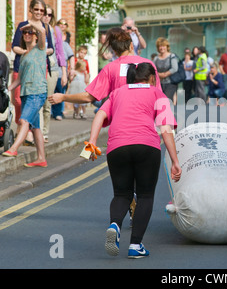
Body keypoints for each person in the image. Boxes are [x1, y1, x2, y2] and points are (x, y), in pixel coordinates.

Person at [86, 62, 181, 258]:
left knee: (122, 194)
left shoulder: (118, 92)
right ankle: (135, 245)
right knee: (145, 196)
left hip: (117, 147)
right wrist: (175, 161)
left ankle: (115, 224)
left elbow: (100, 115)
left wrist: (92, 143)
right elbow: (166, 130)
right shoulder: (157, 94)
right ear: (153, 78)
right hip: (146, 146)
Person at [48, 27, 162, 107]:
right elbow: (158, 96)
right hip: (147, 128)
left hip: (120, 129)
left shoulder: (111, 68)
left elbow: (89, 97)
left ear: (114, 51)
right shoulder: (149, 64)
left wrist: (63, 97)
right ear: (131, 45)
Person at [3, 21, 49, 168]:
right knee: (35, 128)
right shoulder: (23, 56)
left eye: (30, 33)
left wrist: (30, 24)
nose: (27, 34)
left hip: (37, 92)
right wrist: (8, 88)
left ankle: (14, 149)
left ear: (35, 36)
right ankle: (41, 158)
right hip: (26, 93)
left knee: (23, 121)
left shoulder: (40, 49)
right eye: (25, 33)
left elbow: (42, 31)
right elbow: (20, 78)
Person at [11, 0, 54, 143]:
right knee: (18, 100)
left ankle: (27, 131)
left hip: (39, 69)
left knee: (36, 100)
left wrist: (39, 51)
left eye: (42, 10)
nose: (39, 12)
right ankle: (22, 125)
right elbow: (15, 46)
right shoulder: (24, 26)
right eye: (36, 9)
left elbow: (51, 49)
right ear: (31, 9)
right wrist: (26, 52)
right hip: (22, 66)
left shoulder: (45, 28)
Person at [41, 5, 67, 142]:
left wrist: (64, 72)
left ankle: (44, 132)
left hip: (52, 69)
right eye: (45, 13)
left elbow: (60, 52)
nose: (46, 16)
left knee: (47, 101)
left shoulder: (55, 30)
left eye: (50, 15)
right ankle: (35, 132)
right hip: (38, 68)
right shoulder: (35, 28)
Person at [51, 18, 75, 121]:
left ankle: (58, 113)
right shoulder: (50, 43)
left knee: (60, 92)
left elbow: (71, 56)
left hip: (61, 72)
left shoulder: (65, 44)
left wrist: (72, 69)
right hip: (50, 71)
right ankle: (52, 113)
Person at [153, 37, 179, 104]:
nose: (162, 48)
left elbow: (175, 68)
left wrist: (165, 74)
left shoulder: (171, 56)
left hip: (170, 83)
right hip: (159, 83)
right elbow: (153, 69)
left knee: (167, 100)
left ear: (167, 46)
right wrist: (159, 75)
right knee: (159, 101)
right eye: (160, 46)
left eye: (163, 46)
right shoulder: (156, 58)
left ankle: (168, 114)